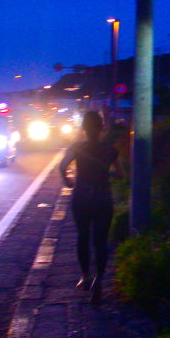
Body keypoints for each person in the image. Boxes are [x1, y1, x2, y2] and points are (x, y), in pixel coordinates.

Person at [59, 111, 120, 305]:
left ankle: (85, 277)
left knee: (83, 237)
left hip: (82, 197)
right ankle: (98, 281)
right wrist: (107, 174)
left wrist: (68, 180)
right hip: (103, 197)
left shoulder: (76, 147)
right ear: (102, 127)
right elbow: (120, 174)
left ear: (84, 128)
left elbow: (62, 166)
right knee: (101, 241)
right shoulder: (110, 149)